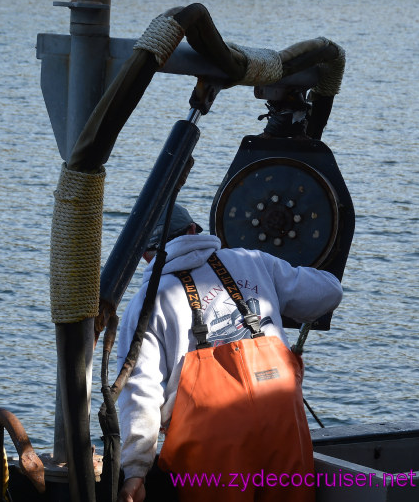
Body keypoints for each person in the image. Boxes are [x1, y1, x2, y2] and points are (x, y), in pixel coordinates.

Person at [116, 203, 343, 502]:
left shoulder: (146, 303)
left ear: (144, 254)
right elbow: (329, 293)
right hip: (282, 426)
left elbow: (140, 393)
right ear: (194, 231)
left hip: (211, 448)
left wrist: (135, 471)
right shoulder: (254, 262)